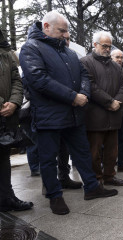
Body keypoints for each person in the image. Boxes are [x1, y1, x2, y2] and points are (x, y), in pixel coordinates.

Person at [19, 11, 118, 215]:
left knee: (82, 153)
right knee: (48, 158)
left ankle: (91, 187)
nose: (65, 35)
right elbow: (38, 79)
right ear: (46, 26)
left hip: (74, 115)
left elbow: (83, 75)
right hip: (49, 116)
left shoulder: (69, 52)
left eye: (67, 31)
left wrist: (82, 94)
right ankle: (54, 195)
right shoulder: (31, 48)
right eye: (61, 30)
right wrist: (73, 96)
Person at [24, 31, 83, 190]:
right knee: (47, 151)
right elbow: (32, 84)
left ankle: (64, 176)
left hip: (66, 113)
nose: (67, 41)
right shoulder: (36, 52)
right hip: (45, 113)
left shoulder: (68, 57)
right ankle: (48, 186)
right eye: (64, 37)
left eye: (69, 38)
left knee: (63, 148)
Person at [81, 31, 123, 186]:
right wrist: (110, 102)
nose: (108, 49)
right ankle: (96, 178)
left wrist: (117, 101)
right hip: (95, 115)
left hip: (114, 114)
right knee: (94, 151)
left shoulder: (116, 66)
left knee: (111, 150)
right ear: (95, 45)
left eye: (109, 46)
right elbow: (91, 86)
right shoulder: (85, 62)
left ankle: (109, 176)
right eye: (104, 46)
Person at [0, 29, 34, 212]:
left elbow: (16, 80)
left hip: (7, 116)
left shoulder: (6, 53)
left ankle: (7, 197)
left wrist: (13, 102)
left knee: (3, 157)